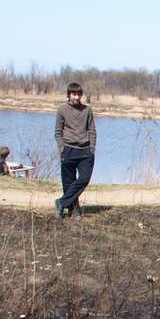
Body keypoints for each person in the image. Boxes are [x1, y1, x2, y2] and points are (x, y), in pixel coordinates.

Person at [54, 82, 96, 219]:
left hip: (85, 151)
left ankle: (61, 202)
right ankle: (74, 211)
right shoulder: (62, 110)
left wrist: (92, 149)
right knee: (68, 182)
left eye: (78, 94)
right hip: (68, 150)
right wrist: (62, 149)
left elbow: (92, 131)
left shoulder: (87, 110)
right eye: (74, 94)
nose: (76, 97)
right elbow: (58, 132)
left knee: (84, 179)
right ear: (68, 95)